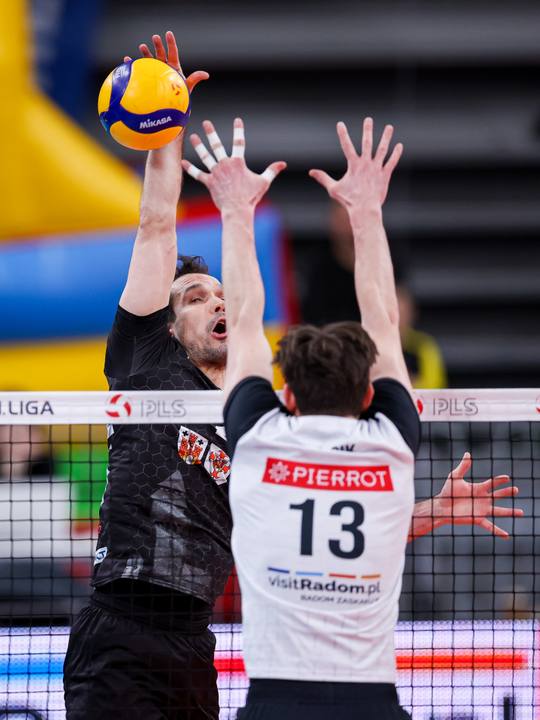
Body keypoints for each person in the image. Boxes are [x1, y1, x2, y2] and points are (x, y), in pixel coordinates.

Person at [183, 117, 522, 720]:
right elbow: (386, 322)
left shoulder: (258, 441)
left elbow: (248, 319)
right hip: (370, 703)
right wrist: (366, 211)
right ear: (369, 395)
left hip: (277, 703)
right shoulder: (391, 447)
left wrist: (234, 210)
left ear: (287, 396)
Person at [63, 33, 229, 720]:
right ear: (166, 324)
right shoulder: (148, 363)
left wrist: (424, 514)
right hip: (121, 632)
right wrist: (167, 126)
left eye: (220, 295)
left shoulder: (248, 410)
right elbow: (158, 226)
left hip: (195, 645)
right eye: (195, 297)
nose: (214, 302)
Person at [301, 200, 447, 388]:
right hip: (335, 354)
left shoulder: (386, 257)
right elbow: (311, 321)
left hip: (379, 346)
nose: (347, 225)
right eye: (342, 218)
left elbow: (402, 307)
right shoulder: (318, 264)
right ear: (332, 221)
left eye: (351, 217)